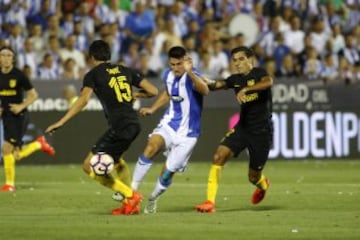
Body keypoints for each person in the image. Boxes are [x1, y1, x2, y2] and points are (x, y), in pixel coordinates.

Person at [45, 40, 158, 215]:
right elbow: (153, 91)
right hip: (134, 124)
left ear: (91, 57)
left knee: (88, 166)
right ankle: (130, 206)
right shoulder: (125, 70)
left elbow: (82, 101)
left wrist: (61, 121)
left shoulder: (93, 75)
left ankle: (130, 195)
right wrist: (136, 94)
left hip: (120, 125)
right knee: (118, 161)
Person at [113, 46, 209, 214]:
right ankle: (130, 191)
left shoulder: (193, 76)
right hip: (170, 124)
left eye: (179, 64)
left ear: (185, 61)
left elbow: (205, 90)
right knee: (152, 145)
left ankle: (153, 198)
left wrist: (191, 72)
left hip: (188, 134)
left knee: (167, 173)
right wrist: (152, 108)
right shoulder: (169, 75)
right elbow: (167, 93)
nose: (176, 68)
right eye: (173, 64)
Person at [195, 46, 273, 213]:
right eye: (235, 60)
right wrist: (200, 79)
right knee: (218, 156)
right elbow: (216, 85)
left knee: (253, 177)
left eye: (241, 59)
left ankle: (263, 184)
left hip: (261, 132)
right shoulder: (234, 79)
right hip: (242, 128)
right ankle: (209, 202)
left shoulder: (259, 74)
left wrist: (247, 89)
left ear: (250, 59)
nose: (237, 63)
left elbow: (268, 82)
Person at [0, 46, 55, 192]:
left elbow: (34, 95)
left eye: (9, 55)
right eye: (3, 55)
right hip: (6, 116)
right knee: (15, 155)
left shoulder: (19, 75)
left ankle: (9, 184)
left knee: (6, 148)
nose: (5, 58)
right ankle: (38, 144)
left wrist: (21, 106)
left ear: (13, 58)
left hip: (19, 116)